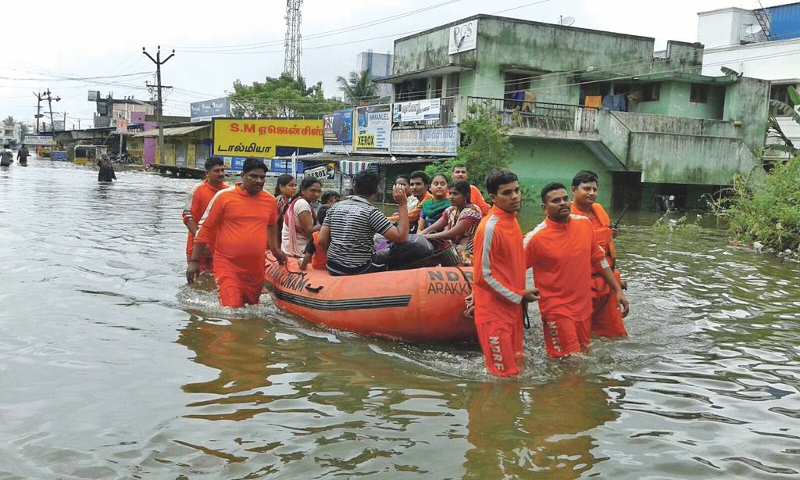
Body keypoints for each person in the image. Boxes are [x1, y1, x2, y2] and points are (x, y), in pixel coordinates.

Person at [523, 183, 629, 359]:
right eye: (556, 201)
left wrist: (617, 289)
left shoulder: (584, 224)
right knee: (570, 361)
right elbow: (511, 268)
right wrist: (520, 293)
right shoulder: (535, 238)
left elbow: (599, 260)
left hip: (583, 306)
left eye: (565, 199)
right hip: (556, 310)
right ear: (544, 207)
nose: (563, 203)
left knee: (583, 355)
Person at [187, 158, 287, 307]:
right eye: (253, 176)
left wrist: (275, 249)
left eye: (262, 177)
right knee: (232, 309)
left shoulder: (270, 200)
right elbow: (205, 228)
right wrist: (194, 261)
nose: (258, 181)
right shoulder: (224, 197)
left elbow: (272, 225)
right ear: (242, 175)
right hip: (227, 264)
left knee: (252, 309)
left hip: (255, 267)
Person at [471, 169, 539, 377]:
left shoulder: (512, 220)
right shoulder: (490, 227)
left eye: (517, 190)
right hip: (494, 316)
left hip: (513, 311)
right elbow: (482, 276)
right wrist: (518, 295)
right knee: (503, 379)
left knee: (516, 373)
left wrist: (520, 298)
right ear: (493, 197)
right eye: (507, 193)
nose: (515, 196)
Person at [571, 170, 628, 338]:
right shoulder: (565, 214)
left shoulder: (598, 210)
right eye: (586, 189)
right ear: (574, 190)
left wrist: (616, 283)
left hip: (607, 284)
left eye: (594, 189)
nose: (591, 193)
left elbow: (605, 251)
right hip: (582, 287)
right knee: (579, 339)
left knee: (617, 336)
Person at [319, 169, 408, 276]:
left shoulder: (334, 207)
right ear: (376, 190)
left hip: (332, 266)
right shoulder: (371, 212)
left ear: (354, 187)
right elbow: (402, 237)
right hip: (358, 269)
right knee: (395, 249)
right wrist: (402, 204)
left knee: (379, 243)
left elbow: (321, 240)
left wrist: (340, 255)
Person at [182, 157, 228, 273]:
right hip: (198, 249)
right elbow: (187, 217)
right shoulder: (198, 190)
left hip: (220, 248)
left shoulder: (229, 191)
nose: (221, 173)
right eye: (217, 171)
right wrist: (201, 240)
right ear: (207, 173)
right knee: (198, 284)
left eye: (222, 170)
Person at [420, 180, 482, 265]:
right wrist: (418, 237)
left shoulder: (472, 211)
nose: (451, 197)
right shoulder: (451, 210)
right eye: (450, 193)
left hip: (470, 252)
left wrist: (427, 236)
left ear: (466, 196)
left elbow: (451, 233)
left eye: (455, 194)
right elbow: (433, 227)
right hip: (453, 251)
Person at [281, 177, 323, 256]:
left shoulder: (299, 201)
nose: (317, 194)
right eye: (313, 190)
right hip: (299, 249)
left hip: (289, 247)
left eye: (319, 191)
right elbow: (309, 232)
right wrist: (326, 222)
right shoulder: (302, 204)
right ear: (303, 190)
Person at [299, 205, 330, 271]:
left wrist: (302, 267)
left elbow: (308, 256)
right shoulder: (337, 235)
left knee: (300, 260)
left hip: (318, 267)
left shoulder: (315, 236)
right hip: (331, 268)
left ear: (319, 221)